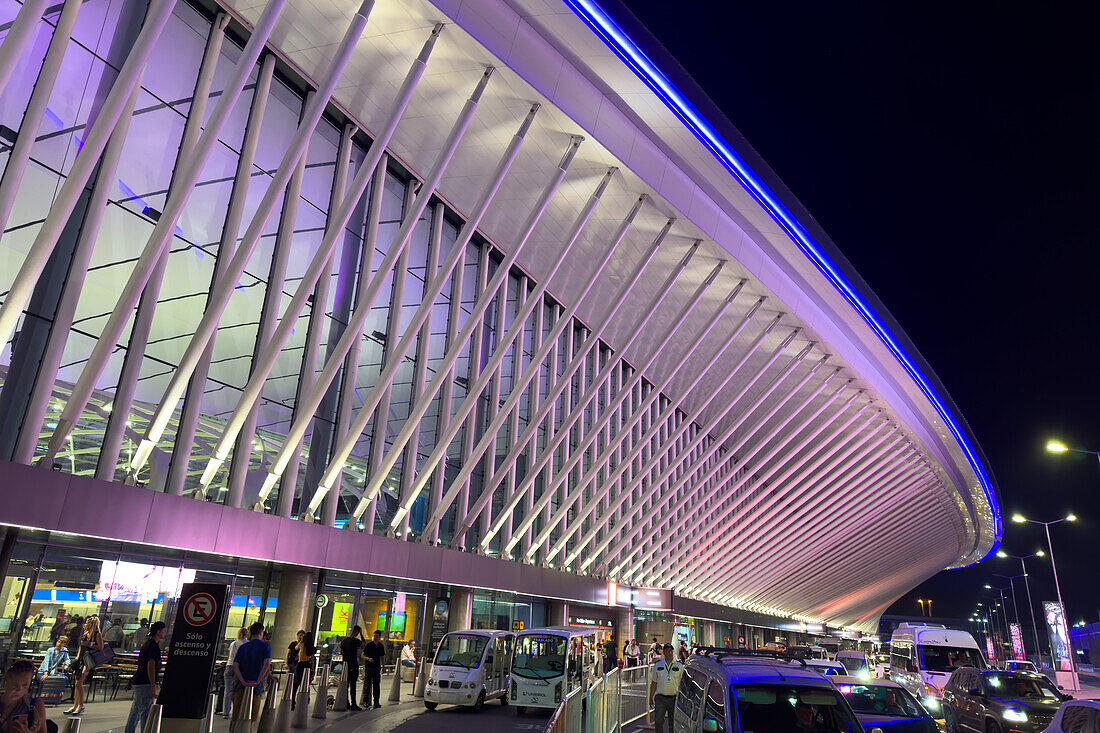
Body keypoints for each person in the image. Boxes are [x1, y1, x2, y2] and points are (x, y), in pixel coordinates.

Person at [124, 621, 165, 733]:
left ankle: (129, 731)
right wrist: (152, 685)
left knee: (136, 710)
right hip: (145, 682)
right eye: (164, 630)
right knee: (145, 712)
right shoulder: (153, 646)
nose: (165, 633)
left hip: (139, 681)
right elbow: (151, 665)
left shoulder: (148, 644)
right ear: (158, 631)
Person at [230, 623, 271, 733]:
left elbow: (235, 666)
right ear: (261, 633)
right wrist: (258, 680)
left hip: (240, 686)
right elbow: (267, 663)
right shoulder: (266, 646)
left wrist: (242, 681)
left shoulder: (243, 647)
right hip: (256, 688)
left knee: (236, 715)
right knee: (251, 718)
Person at [65, 615, 103, 716]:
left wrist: (89, 644)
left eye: (86, 623)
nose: (84, 625)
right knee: (77, 682)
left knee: (79, 683)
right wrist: (77, 658)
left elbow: (100, 648)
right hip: (81, 659)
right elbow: (81, 647)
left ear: (90, 624)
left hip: (89, 661)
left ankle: (81, 706)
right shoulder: (86, 634)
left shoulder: (97, 634)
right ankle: (75, 705)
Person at [1, 661, 47, 733]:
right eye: (15, 684)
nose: (19, 689)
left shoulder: (35, 705)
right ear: (5, 681)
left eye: (25, 685)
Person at [648, 643, 684, 733]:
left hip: (674, 698)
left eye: (671, 650)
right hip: (661, 698)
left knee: (672, 723)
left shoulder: (679, 666)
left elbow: (683, 684)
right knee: (658, 721)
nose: (669, 652)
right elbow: (654, 682)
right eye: (667, 650)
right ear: (663, 652)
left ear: (673, 651)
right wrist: (650, 697)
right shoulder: (658, 665)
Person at [222, 628, 247, 719]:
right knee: (239, 690)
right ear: (246, 634)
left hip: (229, 666)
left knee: (227, 690)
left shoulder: (233, 643)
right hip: (239, 668)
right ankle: (238, 710)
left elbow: (229, 656)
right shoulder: (246, 644)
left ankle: (226, 712)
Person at [339, 626, 363, 711]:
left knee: (346, 685)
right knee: (353, 685)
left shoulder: (344, 641)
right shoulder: (355, 641)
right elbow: (364, 644)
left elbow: (341, 652)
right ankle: (353, 704)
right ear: (357, 632)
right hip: (353, 665)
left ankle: (346, 703)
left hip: (345, 665)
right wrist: (361, 634)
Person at [291, 631, 315, 710]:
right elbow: (312, 660)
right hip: (307, 665)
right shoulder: (312, 647)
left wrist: (301, 640)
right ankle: (303, 701)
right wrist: (313, 670)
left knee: (296, 684)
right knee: (305, 684)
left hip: (300, 665)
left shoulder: (302, 644)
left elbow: (295, 648)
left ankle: (292, 702)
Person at [361, 630, 385, 709]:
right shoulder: (369, 645)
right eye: (374, 636)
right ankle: (365, 701)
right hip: (369, 667)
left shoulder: (381, 646)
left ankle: (376, 702)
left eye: (376, 636)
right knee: (367, 684)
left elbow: (382, 657)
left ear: (379, 637)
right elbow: (362, 655)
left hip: (377, 667)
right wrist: (368, 659)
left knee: (376, 685)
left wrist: (383, 666)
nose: (375, 637)